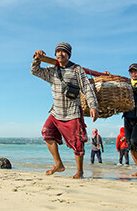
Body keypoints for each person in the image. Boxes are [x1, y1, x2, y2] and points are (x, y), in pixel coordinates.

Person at [31, 42, 99, 179]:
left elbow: (87, 88)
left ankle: (80, 171)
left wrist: (93, 106)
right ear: (55, 54)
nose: (60, 54)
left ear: (69, 54)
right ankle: (58, 164)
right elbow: (35, 71)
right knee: (46, 132)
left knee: (78, 142)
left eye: (64, 51)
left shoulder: (77, 69)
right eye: (58, 51)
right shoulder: (52, 70)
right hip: (56, 111)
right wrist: (36, 59)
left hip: (73, 111)